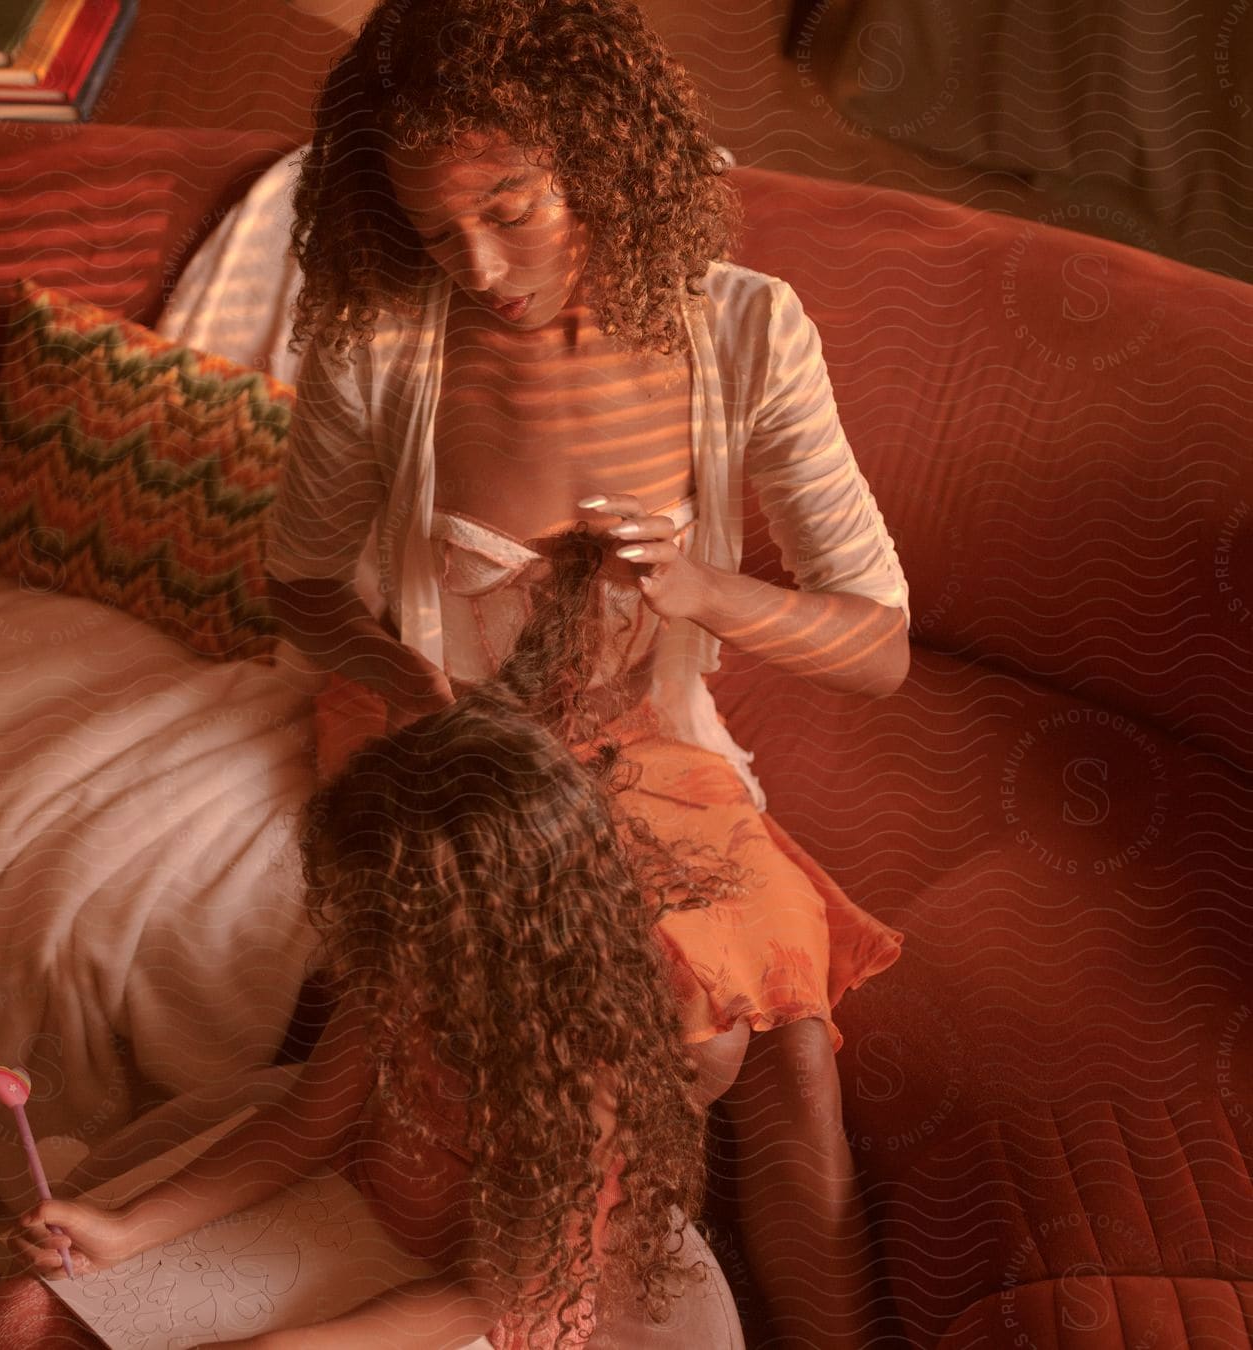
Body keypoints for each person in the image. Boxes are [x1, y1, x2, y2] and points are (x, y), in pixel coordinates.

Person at [258, 2, 913, 1344]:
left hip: (645, 739)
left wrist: (702, 586)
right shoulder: (380, 347)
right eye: (440, 233)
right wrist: (409, 684)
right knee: (637, 1020)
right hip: (450, 751)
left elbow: (880, 645)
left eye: (512, 207)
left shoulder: (745, 332)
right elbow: (298, 586)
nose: (483, 266)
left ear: (602, 160)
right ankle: (552, 1290)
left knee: (786, 1037)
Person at [10, 533, 746, 1347]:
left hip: (478, 1315)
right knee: (30, 1314)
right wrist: (127, 1227)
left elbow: (497, 1300)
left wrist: (296, 1345)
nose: (374, 973)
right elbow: (301, 1129)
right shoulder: (402, 987)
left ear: (492, 954)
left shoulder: (582, 1084)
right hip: (350, 1220)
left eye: (398, 952)